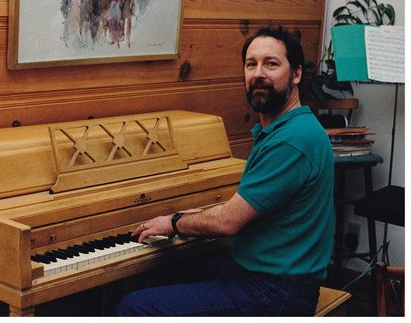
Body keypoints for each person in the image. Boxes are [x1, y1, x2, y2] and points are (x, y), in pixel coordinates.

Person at [116, 25, 334, 316]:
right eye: (251, 64)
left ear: (296, 74)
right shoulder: (285, 129)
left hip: (275, 293)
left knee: (133, 307)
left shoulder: (293, 140)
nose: (258, 74)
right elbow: (246, 208)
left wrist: (174, 221)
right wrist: (187, 217)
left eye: (271, 64)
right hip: (260, 276)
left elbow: (229, 221)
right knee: (168, 273)